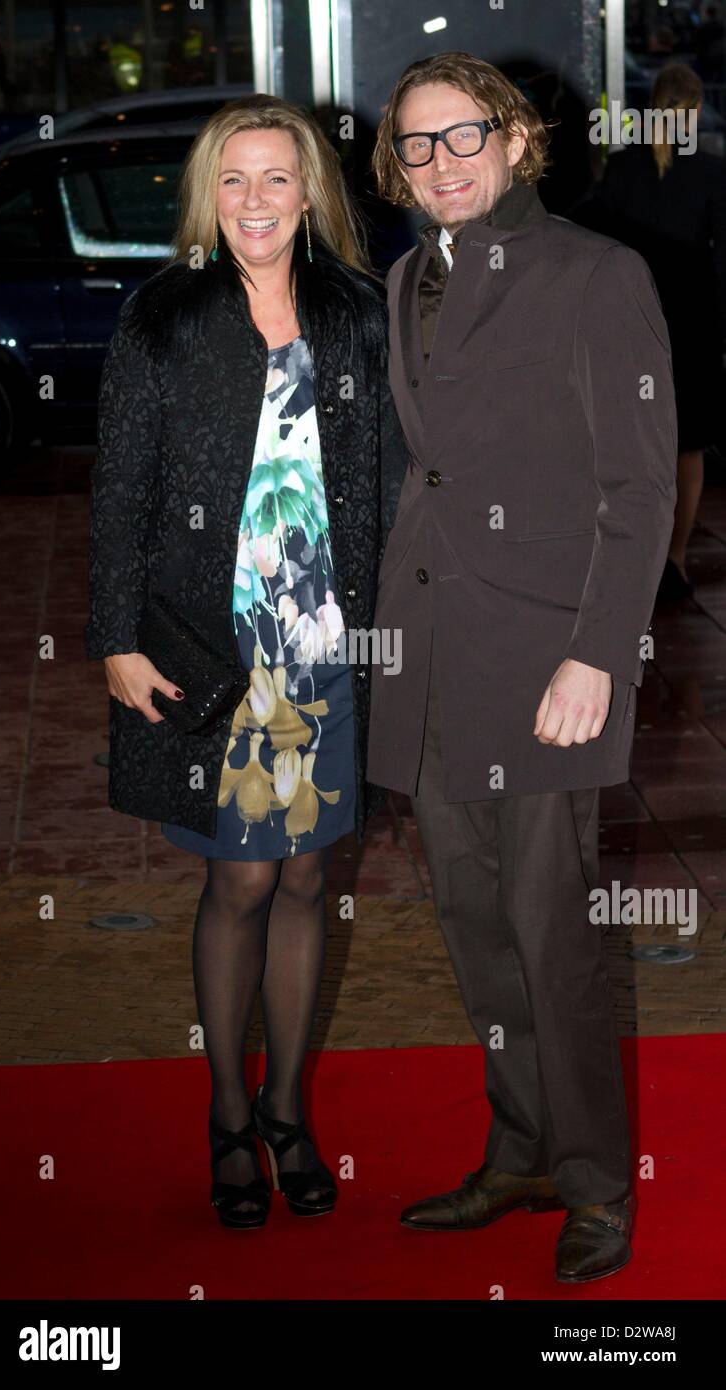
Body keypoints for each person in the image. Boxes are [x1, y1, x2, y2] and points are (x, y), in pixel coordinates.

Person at [367, 52, 677, 1283]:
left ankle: (599, 1184)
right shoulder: (401, 279)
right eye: (418, 144)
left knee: (555, 932)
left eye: (464, 137)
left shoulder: (598, 277)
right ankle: (521, 1148)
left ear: (516, 139)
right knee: (475, 927)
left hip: (549, 660)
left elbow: (640, 486)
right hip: (432, 655)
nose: (442, 163)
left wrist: (598, 654)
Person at [85, 95, 407, 1229]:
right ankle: (227, 1115)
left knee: (312, 873)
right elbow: (118, 486)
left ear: (311, 191)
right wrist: (114, 634)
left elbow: (397, 482)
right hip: (213, 649)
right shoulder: (162, 318)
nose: (256, 201)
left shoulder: (359, 312)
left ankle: (286, 1110)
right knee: (241, 878)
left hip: (331, 646)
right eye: (234, 178)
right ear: (205, 194)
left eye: (278, 178)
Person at [572, 63, 726, 601]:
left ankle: (626, 565)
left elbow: (588, 241)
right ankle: (675, 561)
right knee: (686, 453)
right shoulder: (711, 173)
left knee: (626, 450)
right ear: (697, 110)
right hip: (693, 331)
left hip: (630, 326)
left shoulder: (621, 168)